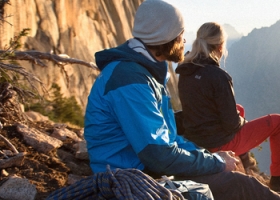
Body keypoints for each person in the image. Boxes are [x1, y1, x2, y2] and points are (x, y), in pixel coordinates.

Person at [84, 0, 280, 199]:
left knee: (233, 179)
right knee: (241, 186)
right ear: (167, 36)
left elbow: (168, 140)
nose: (184, 41)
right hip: (133, 175)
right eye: (180, 35)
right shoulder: (130, 81)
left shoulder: (143, 74)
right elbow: (158, 154)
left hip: (145, 167)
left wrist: (212, 158)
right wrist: (217, 162)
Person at [176, 21, 280, 193]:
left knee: (239, 108)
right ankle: (277, 182)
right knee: (277, 122)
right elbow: (231, 124)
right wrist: (242, 120)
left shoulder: (186, 71)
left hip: (196, 140)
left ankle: (246, 166)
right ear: (220, 45)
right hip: (219, 144)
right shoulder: (218, 76)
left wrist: (238, 115)